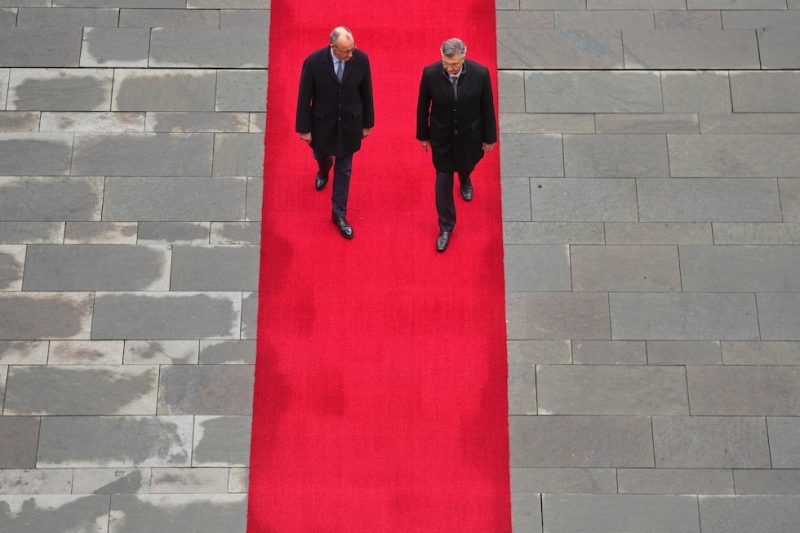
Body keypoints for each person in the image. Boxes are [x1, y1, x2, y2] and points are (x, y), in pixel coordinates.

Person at [416, 37, 497, 252]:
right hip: (441, 137)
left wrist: (489, 138)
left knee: (466, 165)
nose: (450, 68)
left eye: (454, 64)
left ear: (463, 58)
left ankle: (465, 178)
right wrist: (423, 135)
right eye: (446, 63)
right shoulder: (430, 73)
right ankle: (446, 226)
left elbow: (487, 106)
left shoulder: (480, 74)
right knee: (443, 180)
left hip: (470, 136)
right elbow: (423, 106)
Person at [296, 26, 375, 239]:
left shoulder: (361, 59)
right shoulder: (313, 62)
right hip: (322, 124)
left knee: (345, 169)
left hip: (350, 124)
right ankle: (323, 170)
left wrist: (367, 123)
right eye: (346, 51)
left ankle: (338, 214)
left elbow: (367, 92)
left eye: (352, 49)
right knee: (321, 155)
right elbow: (304, 97)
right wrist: (304, 128)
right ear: (332, 47)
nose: (350, 54)